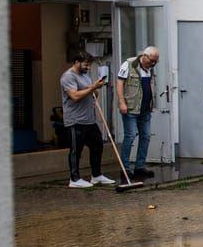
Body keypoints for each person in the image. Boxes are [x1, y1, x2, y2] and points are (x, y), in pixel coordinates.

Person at [60, 52, 115, 188]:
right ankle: (74, 179)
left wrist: (96, 88)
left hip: (89, 119)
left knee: (97, 145)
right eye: (86, 64)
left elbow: (93, 94)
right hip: (75, 120)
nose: (88, 67)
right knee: (76, 150)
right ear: (77, 62)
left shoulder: (85, 76)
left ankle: (96, 175)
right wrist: (92, 88)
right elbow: (74, 96)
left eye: (89, 65)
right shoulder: (68, 77)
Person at [115, 45, 161, 180]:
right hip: (131, 108)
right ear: (144, 56)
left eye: (155, 61)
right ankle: (125, 168)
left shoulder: (150, 68)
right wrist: (122, 102)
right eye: (151, 60)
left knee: (146, 136)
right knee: (130, 135)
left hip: (145, 109)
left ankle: (140, 166)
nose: (153, 63)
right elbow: (119, 83)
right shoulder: (129, 64)